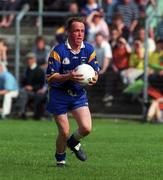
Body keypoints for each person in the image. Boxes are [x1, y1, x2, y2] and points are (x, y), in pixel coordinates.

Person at [46, 17, 99, 167]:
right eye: (76, 30)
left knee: (87, 128)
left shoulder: (88, 49)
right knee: (64, 131)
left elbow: (95, 71)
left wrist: (95, 78)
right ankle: (60, 159)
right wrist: (68, 76)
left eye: (82, 31)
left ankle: (73, 141)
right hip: (59, 94)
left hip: (78, 94)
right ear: (68, 32)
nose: (80, 34)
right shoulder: (58, 51)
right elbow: (50, 77)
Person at [17, 52, 46, 120]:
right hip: (27, 91)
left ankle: (22, 112)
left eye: (30, 59)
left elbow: (41, 84)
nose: (28, 60)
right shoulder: (27, 70)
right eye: (28, 59)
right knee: (22, 92)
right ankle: (21, 112)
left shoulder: (39, 70)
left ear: (34, 60)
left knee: (23, 94)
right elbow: (23, 82)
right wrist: (25, 86)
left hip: (36, 91)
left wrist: (32, 87)